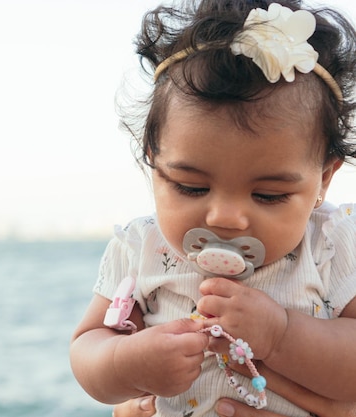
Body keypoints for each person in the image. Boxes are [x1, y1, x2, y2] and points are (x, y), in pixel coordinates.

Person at [69, 0, 356, 416]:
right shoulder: (142, 247)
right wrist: (126, 362)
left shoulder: (330, 244)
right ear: (153, 161)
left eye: (268, 195)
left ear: (323, 180)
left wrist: (281, 335)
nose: (225, 217)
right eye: (190, 186)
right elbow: (87, 347)